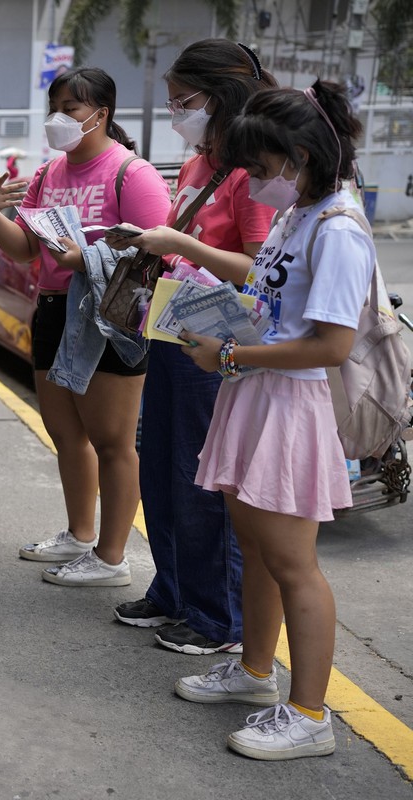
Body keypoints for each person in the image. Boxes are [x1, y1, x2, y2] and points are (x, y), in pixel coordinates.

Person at [174, 79, 373, 761]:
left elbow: (332, 344)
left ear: (299, 156)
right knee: (254, 547)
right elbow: (269, 298)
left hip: (289, 403)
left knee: (293, 563)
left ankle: (310, 714)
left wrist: (229, 350)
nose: (255, 183)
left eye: (260, 170)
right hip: (252, 389)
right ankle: (255, 671)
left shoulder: (340, 229)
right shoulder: (300, 215)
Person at [107, 41, 278, 655]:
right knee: (162, 468)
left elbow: (256, 268)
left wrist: (178, 242)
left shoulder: (252, 172)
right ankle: (174, 589)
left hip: (217, 340)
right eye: (173, 101)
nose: (179, 112)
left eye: (186, 101)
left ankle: (216, 617)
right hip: (175, 328)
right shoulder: (201, 162)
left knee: (202, 480)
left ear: (224, 96)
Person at [0, 67, 171, 586]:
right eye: (55, 107)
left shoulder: (132, 174)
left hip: (108, 315)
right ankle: (80, 534)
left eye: (71, 108)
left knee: (111, 440)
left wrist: (85, 258)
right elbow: (24, 249)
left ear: (101, 114)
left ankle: (111, 558)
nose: (58, 118)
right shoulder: (48, 175)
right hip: (53, 310)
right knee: (65, 433)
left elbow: (156, 251)